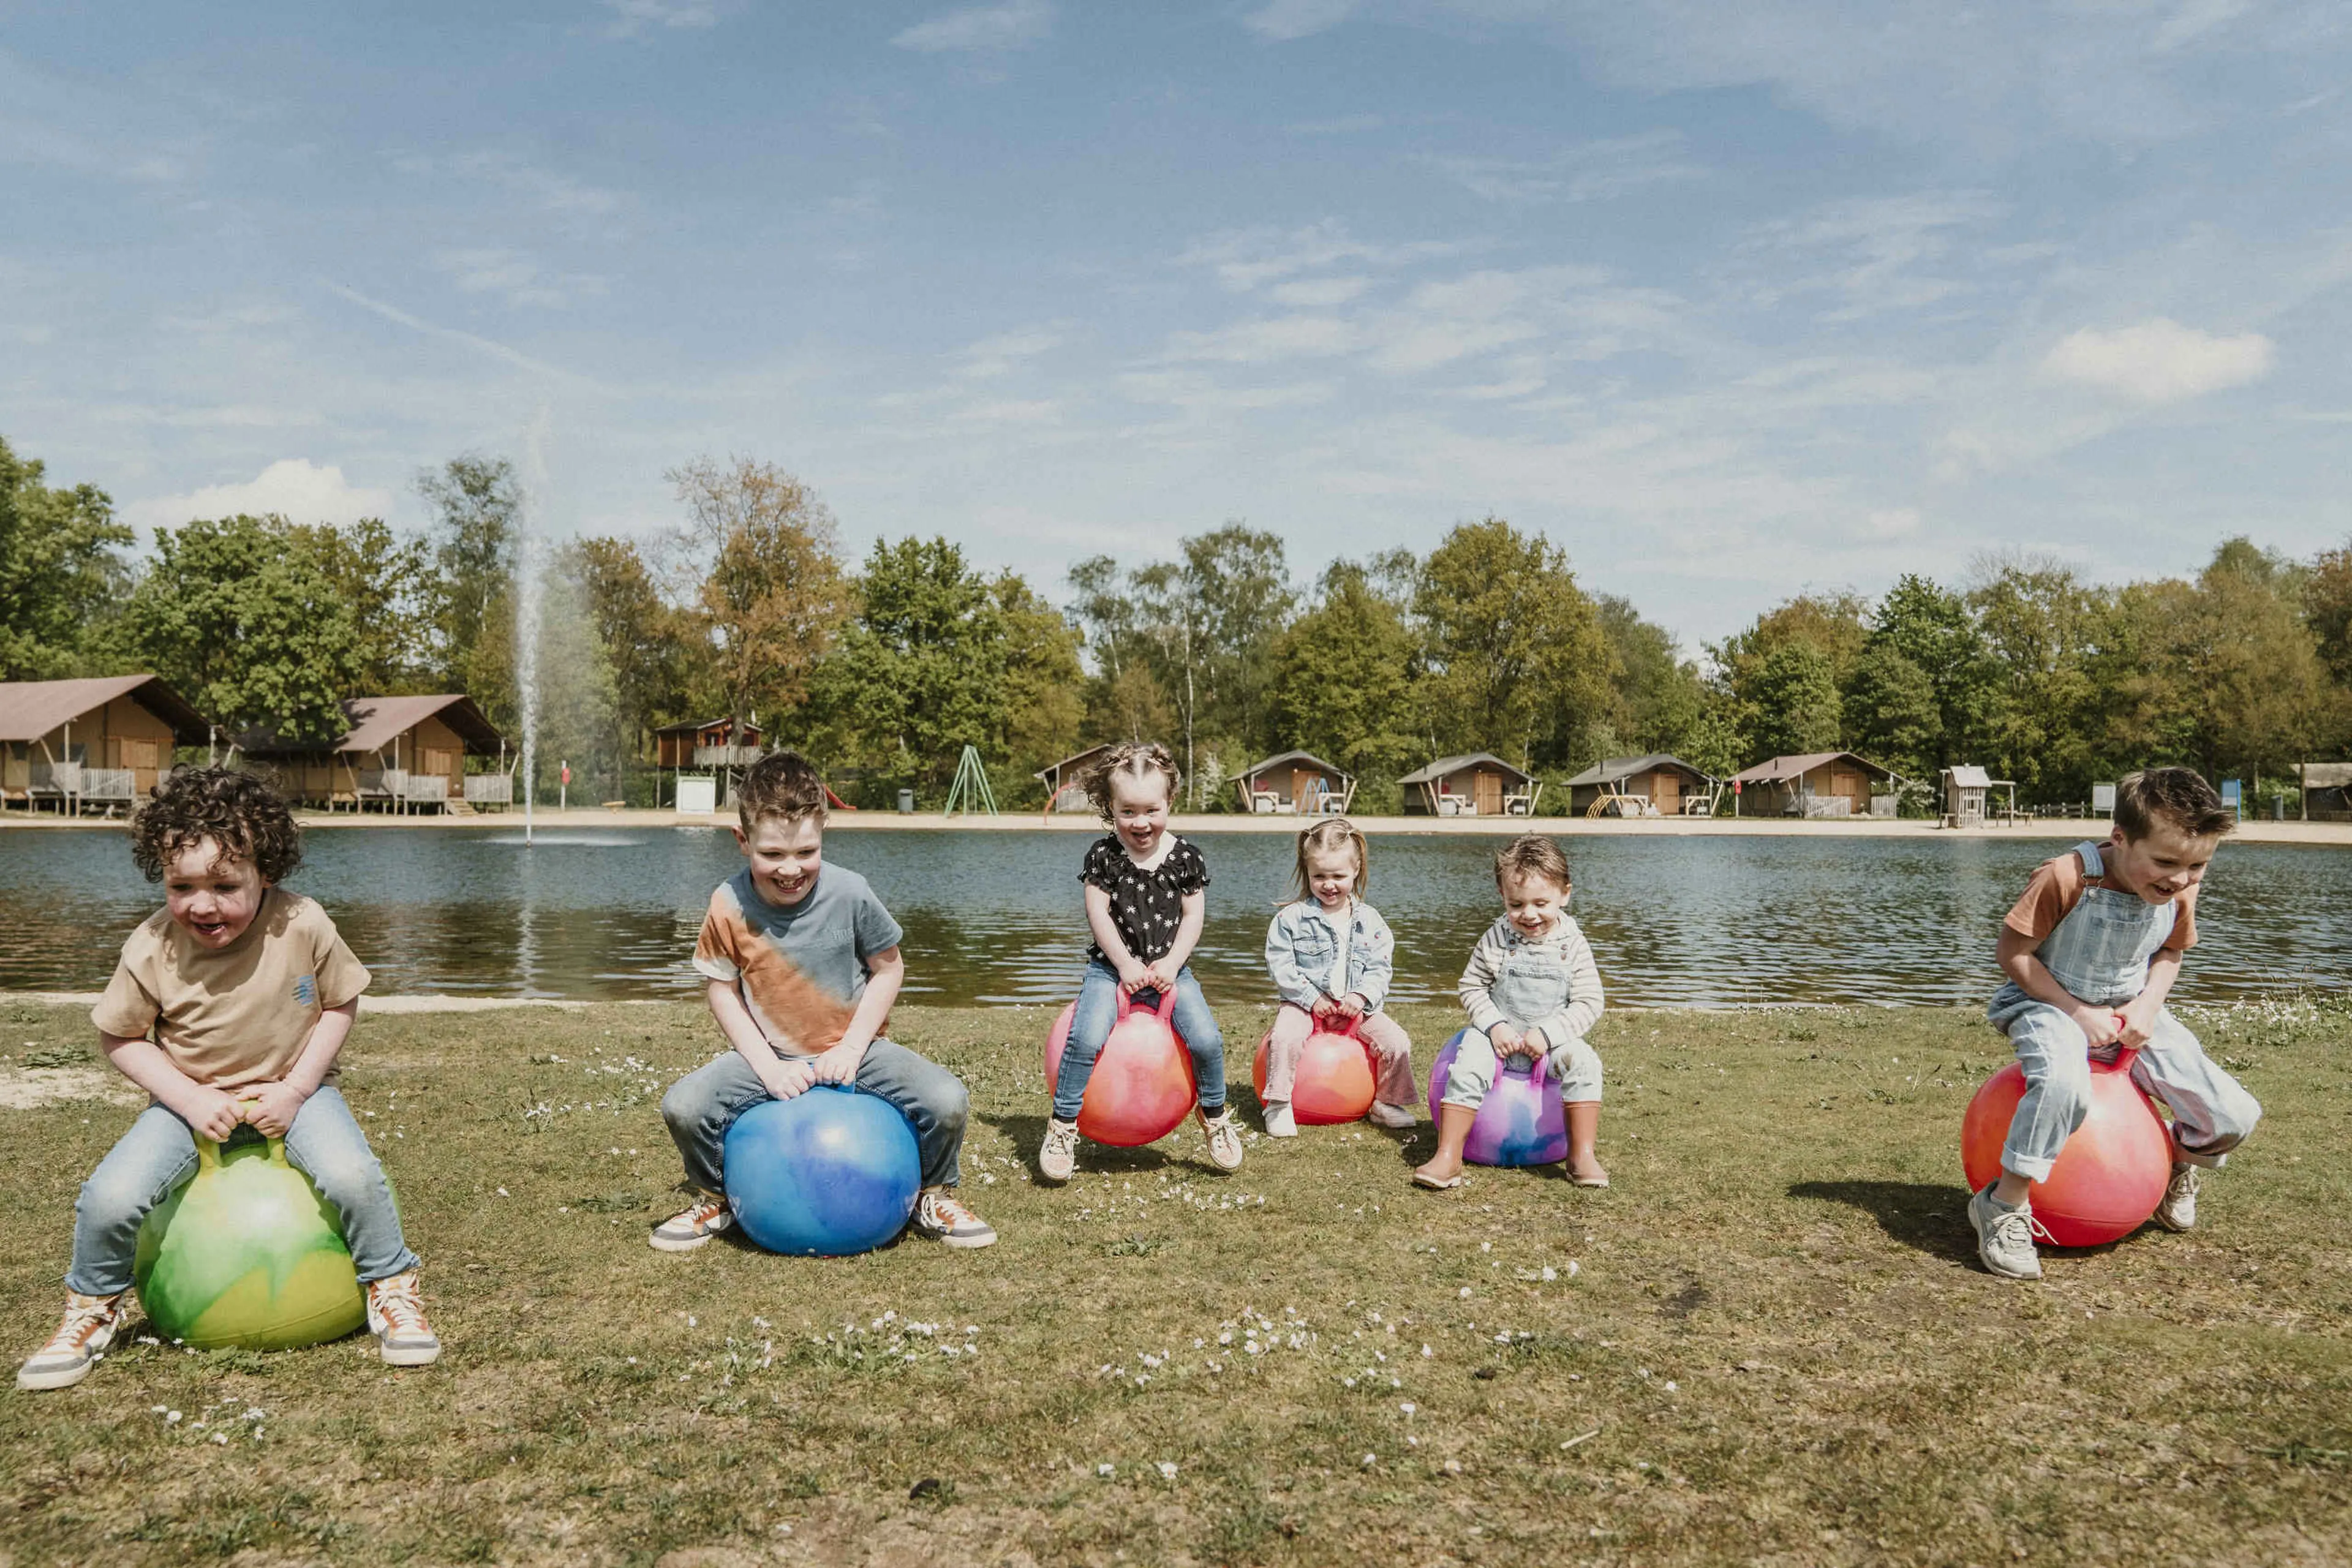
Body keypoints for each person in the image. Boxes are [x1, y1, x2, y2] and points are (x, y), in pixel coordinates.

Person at [16, 768, 438, 1392]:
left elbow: (340, 1003)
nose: (201, 904)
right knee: (110, 1196)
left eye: (223, 885)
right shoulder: (150, 946)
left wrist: (295, 1091)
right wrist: (187, 1097)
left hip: (298, 1091)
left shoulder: (303, 923)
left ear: (265, 871)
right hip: (189, 1102)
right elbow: (120, 1036)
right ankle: (91, 1308)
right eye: (181, 885)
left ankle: (390, 1287)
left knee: (353, 1175)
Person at [653, 751, 994, 1251]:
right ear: (742, 841)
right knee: (683, 1106)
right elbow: (722, 990)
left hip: (857, 1049)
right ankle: (717, 1197)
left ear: (823, 833)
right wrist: (769, 1069)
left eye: (805, 852)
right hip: (769, 1054)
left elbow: (889, 968)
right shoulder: (726, 903)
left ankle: (932, 1193)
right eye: (771, 854)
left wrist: (852, 1050)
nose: (790, 869)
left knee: (947, 1101)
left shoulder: (851, 892)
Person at [1969, 767, 2263, 1281]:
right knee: (2065, 1085)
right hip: (2045, 1003)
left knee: (2233, 1114)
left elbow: (2171, 952)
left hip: (2130, 1009)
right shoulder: (2066, 876)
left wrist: (2148, 1006)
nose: (2180, 878)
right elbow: (2013, 954)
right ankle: (2004, 1204)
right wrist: (2077, 1013)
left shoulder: (2180, 889)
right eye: (2166, 862)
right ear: (2120, 838)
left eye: (2198, 866)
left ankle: (2175, 1163)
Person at [1038, 741, 1242, 1183]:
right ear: (1110, 807)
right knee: (1086, 1038)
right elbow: (1097, 915)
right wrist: (1126, 966)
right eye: (1127, 811)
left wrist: (1170, 964)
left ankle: (1214, 1115)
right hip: (1111, 970)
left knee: (1207, 1039)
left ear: (1170, 802)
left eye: (1151, 809)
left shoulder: (1186, 856)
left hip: (1173, 971)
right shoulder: (1104, 855)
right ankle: (1063, 1125)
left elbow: (1193, 916)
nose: (1141, 822)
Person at [1412, 834, 1607, 1191]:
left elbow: (1590, 1001)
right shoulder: (1497, 938)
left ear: (1565, 893)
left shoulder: (1574, 945)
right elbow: (1471, 986)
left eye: (1541, 903)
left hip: (1551, 1047)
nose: (1528, 914)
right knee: (1468, 1060)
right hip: (1497, 1040)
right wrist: (1495, 1026)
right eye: (1516, 904)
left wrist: (1548, 1035)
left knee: (1585, 1063)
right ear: (1502, 895)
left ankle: (1582, 1155)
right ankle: (1449, 1156)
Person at [1258, 818, 1417, 1136]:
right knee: (1285, 1037)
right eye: (1319, 876)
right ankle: (1277, 1104)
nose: (1329, 884)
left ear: (1356, 870)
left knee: (1397, 1042)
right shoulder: (1291, 919)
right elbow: (1281, 965)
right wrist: (1311, 999)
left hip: (1357, 1008)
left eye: (1338, 876)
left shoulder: (1370, 921)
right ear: (1307, 872)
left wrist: (1360, 998)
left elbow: (1380, 967)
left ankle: (1387, 1103)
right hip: (1304, 1005)